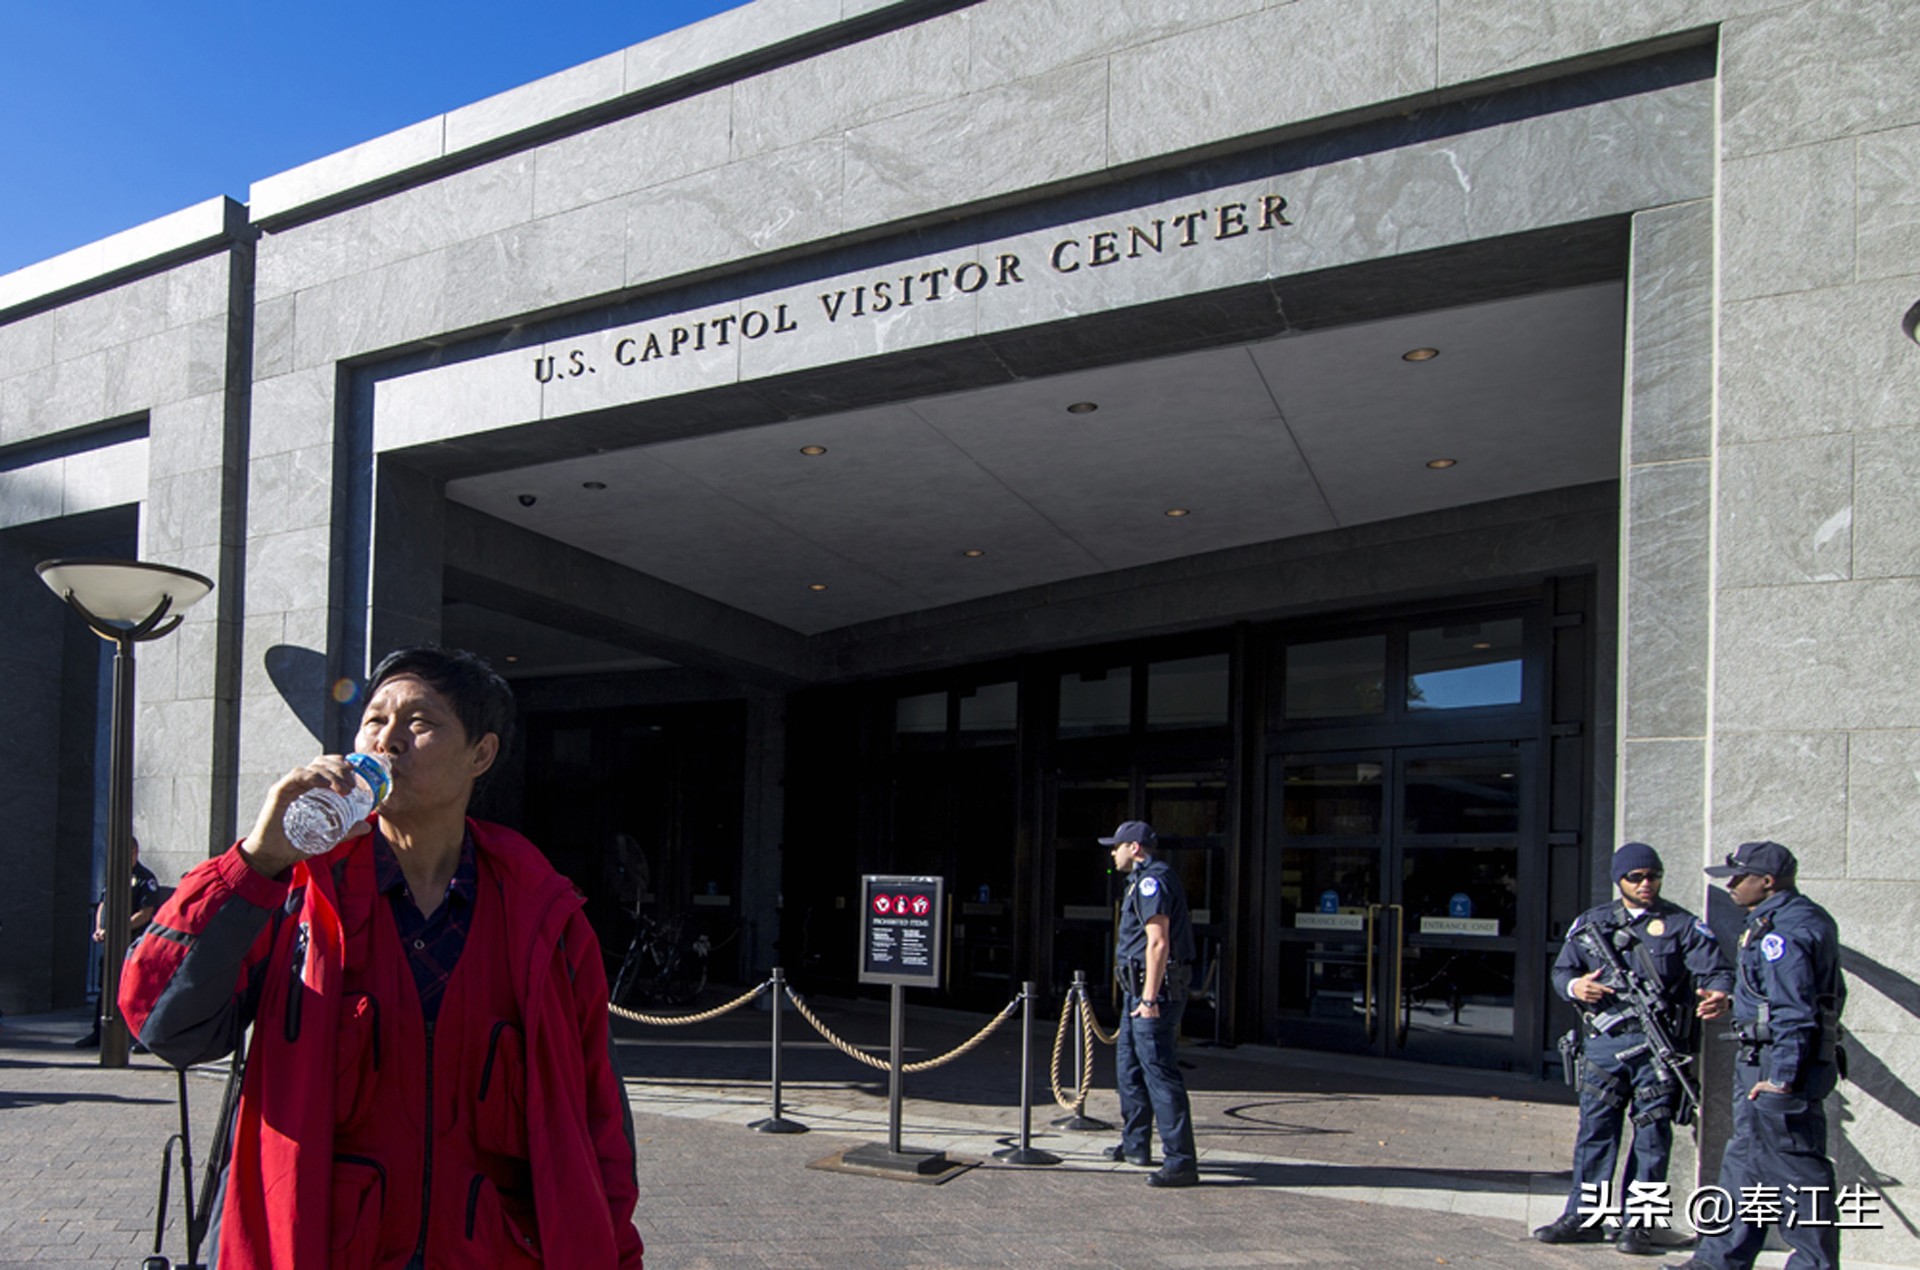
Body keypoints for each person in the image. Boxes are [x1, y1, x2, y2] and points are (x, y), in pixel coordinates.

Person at [119, 646, 643, 1269]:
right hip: (317, 1248)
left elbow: (598, 1123)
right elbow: (165, 1027)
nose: (387, 740)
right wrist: (255, 860)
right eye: (374, 720)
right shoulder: (298, 891)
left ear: (482, 754)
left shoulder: (543, 917)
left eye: (420, 723)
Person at [1534, 842, 1731, 1255]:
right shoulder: (1594, 924)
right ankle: (1584, 1217)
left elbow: (1716, 970)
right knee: (1595, 1133)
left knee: (1653, 1134)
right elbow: (1562, 970)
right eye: (1635, 877)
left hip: (1656, 1051)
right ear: (1618, 880)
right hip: (1606, 1045)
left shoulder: (1681, 925)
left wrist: (1718, 994)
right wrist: (1577, 986)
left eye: (1653, 876)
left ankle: (1639, 1224)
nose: (1646, 884)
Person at [1664, 841, 1846, 1270]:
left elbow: (1797, 1012)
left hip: (1778, 1068)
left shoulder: (1785, 931)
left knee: (1798, 1171)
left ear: (1767, 881)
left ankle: (1814, 1266)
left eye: (1738, 877)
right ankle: (1717, 1262)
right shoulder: (1776, 920)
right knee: (1745, 1165)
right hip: (1759, 1062)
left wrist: (1781, 1077)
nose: (1730, 886)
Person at [1099, 820, 1200, 1188]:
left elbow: (1158, 943)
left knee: (1158, 1071)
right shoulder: (1138, 881)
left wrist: (1149, 999)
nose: (1113, 853)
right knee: (1129, 1068)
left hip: (1151, 992)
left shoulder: (1151, 881)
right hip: (1136, 990)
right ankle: (1135, 1144)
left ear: (1135, 848)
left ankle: (1181, 1161)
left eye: (1117, 846)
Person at [74, 836, 163, 1047]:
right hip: (112, 944)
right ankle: (99, 1032)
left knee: (137, 990)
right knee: (105, 987)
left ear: (135, 852)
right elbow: (103, 904)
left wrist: (117, 929)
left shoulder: (145, 879)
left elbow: (145, 913)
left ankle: (142, 1037)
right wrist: (99, 928)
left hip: (134, 944)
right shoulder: (115, 876)